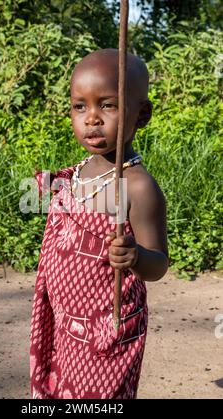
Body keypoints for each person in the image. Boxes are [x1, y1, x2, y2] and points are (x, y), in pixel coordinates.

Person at [29, 48, 169, 399]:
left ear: (142, 114)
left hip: (108, 332)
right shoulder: (77, 173)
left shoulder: (138, 186)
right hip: (63, 321)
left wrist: (136, 256)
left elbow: (159, 264)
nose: (91, 119)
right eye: (80, 106)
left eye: (107, 105)